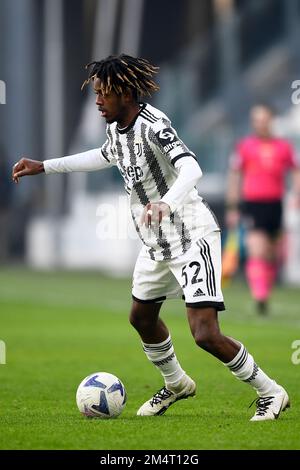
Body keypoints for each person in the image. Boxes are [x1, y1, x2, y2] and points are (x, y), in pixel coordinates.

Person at [12, 55, 290, 421]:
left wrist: (166, 202)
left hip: (192, 236)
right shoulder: (115, 128)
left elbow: (192, 167)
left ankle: (271, 392)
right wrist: (46, 166)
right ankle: (176, 384)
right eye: (96, 93)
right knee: (141, 318)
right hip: (156, 244)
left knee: (205, 334)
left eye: (103, 95)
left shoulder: (155, 125)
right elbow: (103, 155)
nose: (97, 101)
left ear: (125, 94)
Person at [226, 104, 300, 314]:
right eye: (255, 119)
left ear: (271, 120)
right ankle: (260, 296)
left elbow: (295, 170)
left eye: (262, 119)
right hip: (253, 204)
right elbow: (235, 175)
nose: (259, 123)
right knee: (256, 248)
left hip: (275, 205)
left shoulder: (283, 147)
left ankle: (264, 292)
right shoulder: (245, 146)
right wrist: (233, 206)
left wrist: (296, 194)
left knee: (271, 254)